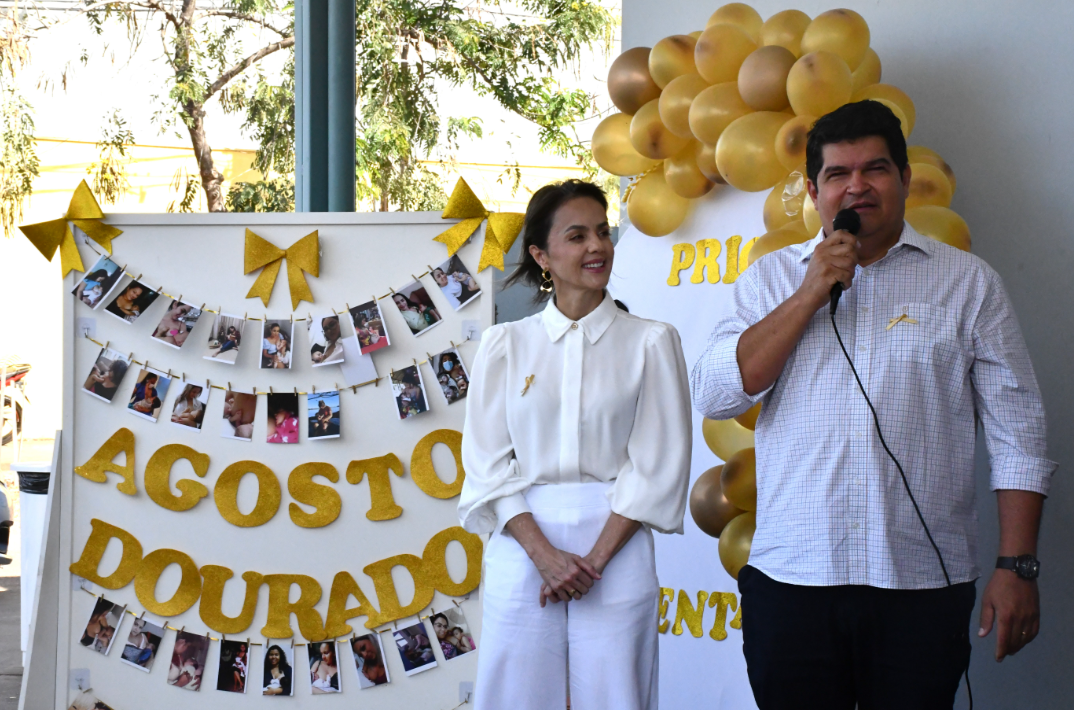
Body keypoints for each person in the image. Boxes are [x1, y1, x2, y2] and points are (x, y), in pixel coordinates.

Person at [691, 100, 1056, 710]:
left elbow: (1019, 433)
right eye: (837, 174)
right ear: (814, 191)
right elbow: (716, 393)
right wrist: (808, 294)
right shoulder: (769, 279)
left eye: (875, 169)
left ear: (905, 179)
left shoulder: (969, 284)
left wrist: (1017, 567)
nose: (856, 186)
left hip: (920, 584)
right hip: (792, 582)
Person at [458, 179, 692, 710]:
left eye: (603, 233)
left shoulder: (651, 341)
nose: (597, 246)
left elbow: (658, 464)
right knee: (513, 695)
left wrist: (593, 562)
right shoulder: (504, 345)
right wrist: (544, 556)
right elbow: (487, 462)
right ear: (541, 256)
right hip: (522, 539)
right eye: (577, 235)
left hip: (617, 543)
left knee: (617, 695)